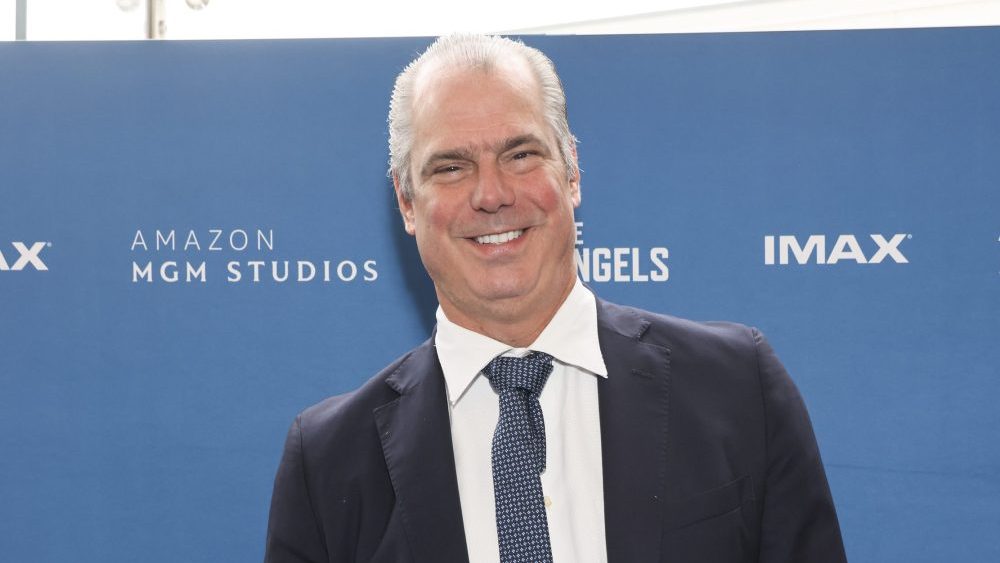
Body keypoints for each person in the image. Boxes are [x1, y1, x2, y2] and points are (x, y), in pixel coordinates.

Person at [264, 34, 847, 563]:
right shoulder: (329, 463)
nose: (491, 194)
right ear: (407, 202)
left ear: (572, 172)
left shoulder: (736, 387)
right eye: (451, 167)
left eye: (520, 155)